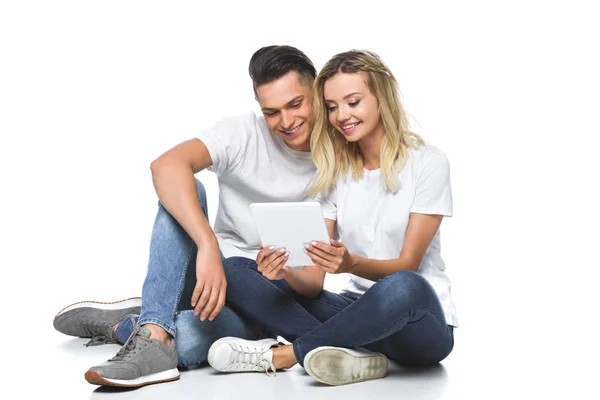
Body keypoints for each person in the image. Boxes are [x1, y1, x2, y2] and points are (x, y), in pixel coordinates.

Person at [52, 45, 319, 387]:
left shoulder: (338, 163)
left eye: (296, 104)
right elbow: (164, 166)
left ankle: (139, 321)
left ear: (317, 90)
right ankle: (154, 327)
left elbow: (314, 284)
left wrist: (284, 272)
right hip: (210, 277)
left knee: (190, 341)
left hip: (261, 300)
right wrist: (207, 244)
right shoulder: (243, 133)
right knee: (186, 187)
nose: (286, 122)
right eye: (271, 112)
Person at [206, 50, 458, 386]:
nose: (342, 115)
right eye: (332, 106)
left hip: (418, 322)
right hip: (357, 311)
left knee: (403, 285)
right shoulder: (336, 173)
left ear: (381, 97)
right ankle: (348, 350)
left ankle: (288, 354)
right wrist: (285, 272)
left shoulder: (429, 163)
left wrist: (350, 264)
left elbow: (408, 264)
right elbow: (312, 284)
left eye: (353, 102)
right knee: (236, 269)